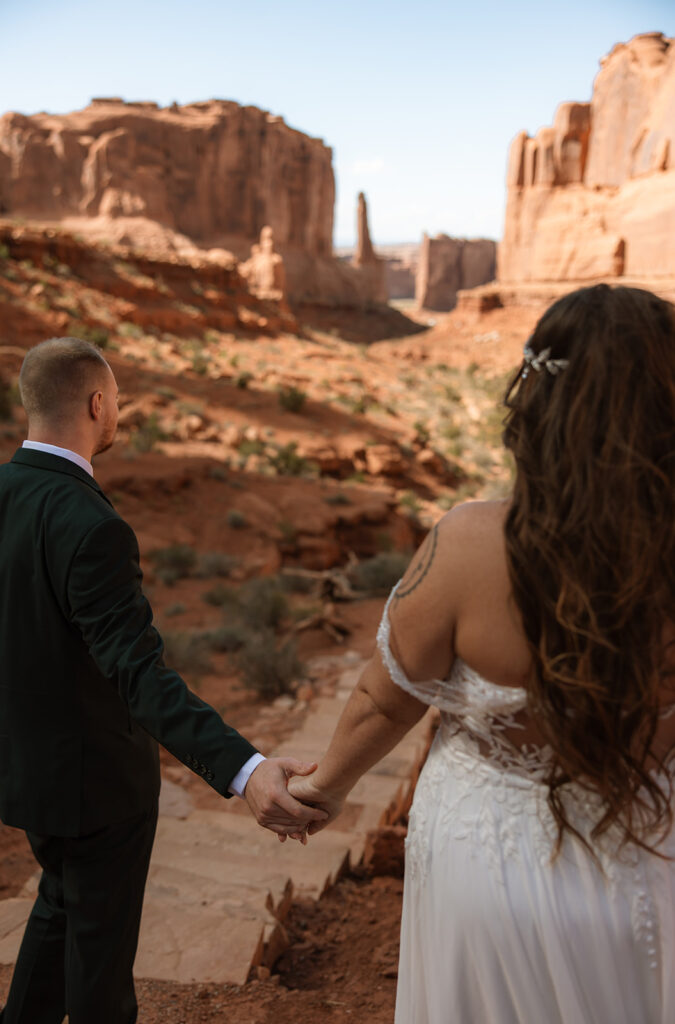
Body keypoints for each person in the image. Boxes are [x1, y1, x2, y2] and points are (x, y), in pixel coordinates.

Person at [289, 284, 675, 1023]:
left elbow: (385, 698)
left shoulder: (468, 545)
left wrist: (321, 790)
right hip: (651, 865)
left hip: (495, 870)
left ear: (538, 401)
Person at [0, 336, 326, 1024]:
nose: (118, 412)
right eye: (115, 400)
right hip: (97, 792)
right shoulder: (90, 524)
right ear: (94, 403)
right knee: (102, 976)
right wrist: (245, 770)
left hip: (21, 773)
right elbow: (139, 676)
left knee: (60, 902)